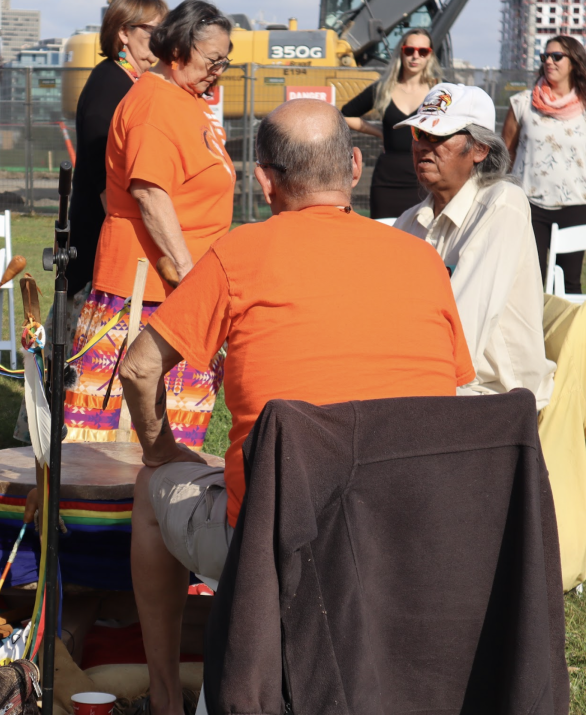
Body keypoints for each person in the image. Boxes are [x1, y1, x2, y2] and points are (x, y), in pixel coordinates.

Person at [119, 98, 475, 715]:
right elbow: (453, 390)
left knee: (153, 483)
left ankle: (164, 696)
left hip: (274, 542)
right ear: (357, 168)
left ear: (263, 181)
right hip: (402, 542)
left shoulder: (237, 254)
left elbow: (138, 366)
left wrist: (161, 450)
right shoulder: (424, 262)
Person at [64, 0, 234, 448]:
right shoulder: (156, 103)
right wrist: (191, 277)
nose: (219, 69)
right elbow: (150, 194)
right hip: (148, 295)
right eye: (212, 59)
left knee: (171, 442)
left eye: (225, 60)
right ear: (178, 48)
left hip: (173, 290)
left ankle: (151, 517)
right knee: (118, 446)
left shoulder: (183, 98)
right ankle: (109, 520)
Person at [395, 83, 555, 409]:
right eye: (418, 134)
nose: (423, 146)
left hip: (495, 395)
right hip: (433, 382)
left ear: (480, 150)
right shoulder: (410, 221)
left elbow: (464, 328)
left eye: (437, 136)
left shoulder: (502, 203)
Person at [68, 0, 169, 298]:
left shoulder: (134, 81)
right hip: (102, 239)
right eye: (155, 30)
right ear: (124, 33)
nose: (163, 39)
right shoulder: (109, 84)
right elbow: (105, 177)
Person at [502, 35, 586, 294]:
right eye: (544, 56)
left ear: (574, 62)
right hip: (528, 205)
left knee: (570, 282)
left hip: (575, 204)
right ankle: (531, 335)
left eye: (556, 56)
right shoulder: (522, 103)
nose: (548, 61)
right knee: (529, 282)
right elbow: (506, 153)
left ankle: (567, 335)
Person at [342, 28, 441, 219]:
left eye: (422, 52)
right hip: (387, 178)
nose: (415, 56)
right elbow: (345, 115)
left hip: (423, 178)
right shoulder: (384, 87)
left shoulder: (437, 91)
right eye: (409, 50)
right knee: (382, 240)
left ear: (430, 56)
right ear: (401, 52)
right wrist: (380, 132)